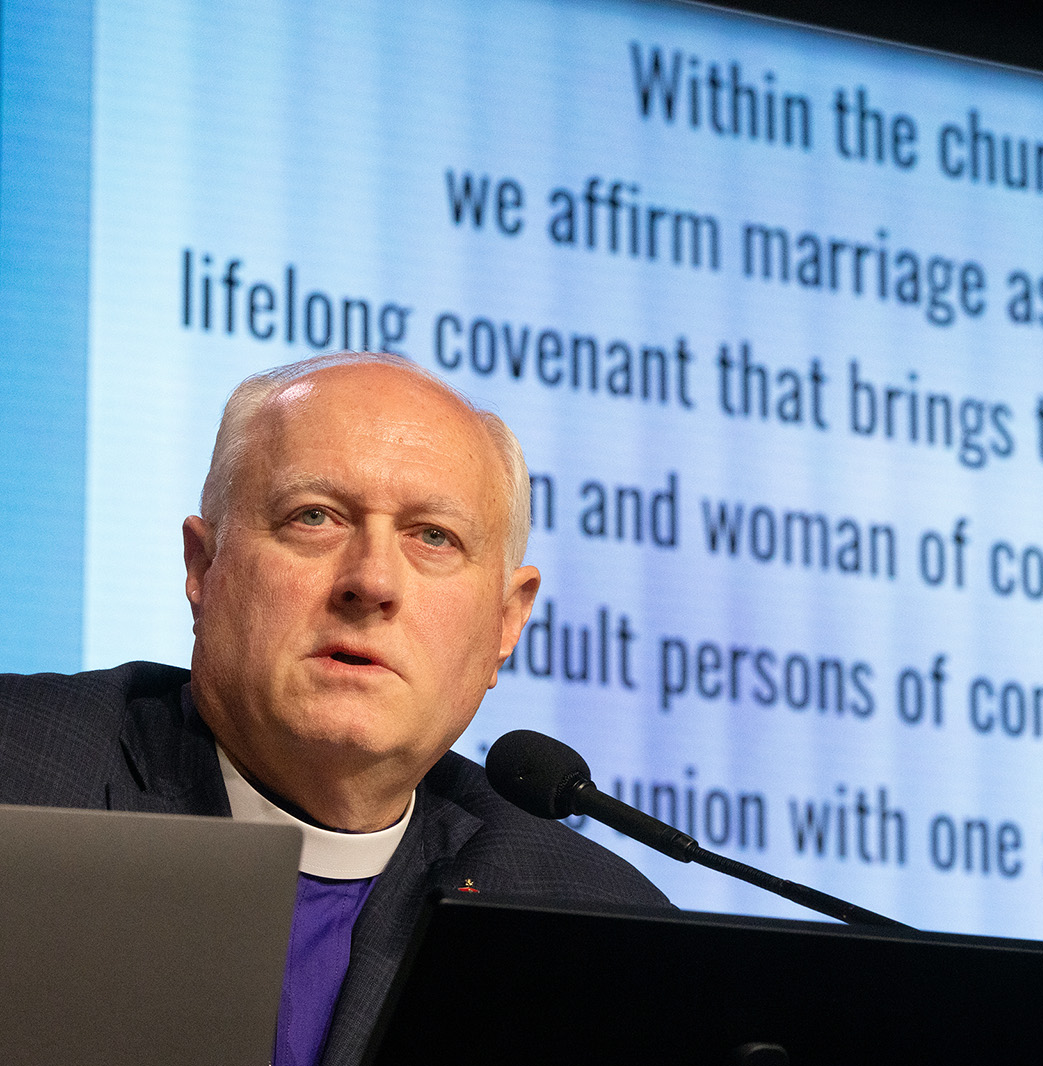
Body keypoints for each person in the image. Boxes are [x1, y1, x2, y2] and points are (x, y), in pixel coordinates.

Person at [0, 352, 669, 1066]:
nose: (373, 580)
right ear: (203, 567)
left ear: (506, 623)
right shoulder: (22, 768)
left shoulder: (599, 928)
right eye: (314, 517)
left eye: (433, 536)